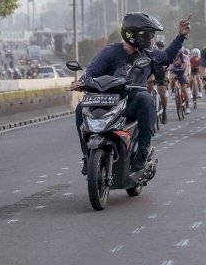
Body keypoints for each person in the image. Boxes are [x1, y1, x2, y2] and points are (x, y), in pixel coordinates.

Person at [73, 12, 191, 175]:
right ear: (134, 35)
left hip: (130, 103)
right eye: (148, 35)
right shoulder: (110, 51)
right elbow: (91, 72)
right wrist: (81, 82)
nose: (151, 39)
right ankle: (87, 156)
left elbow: (166, 58)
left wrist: (181, 36)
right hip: (106, 102)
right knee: (81, 108)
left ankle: (142, 153)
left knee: (145, 98)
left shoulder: (149, 53)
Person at [147, 41, 169, 124]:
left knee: (162, 91)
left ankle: (164, 112)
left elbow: (167, 68)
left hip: (161, 74)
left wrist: (166, 77)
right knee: (148, 88)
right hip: (152, 74)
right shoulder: (146, 57)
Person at [168, 48, 191, 114]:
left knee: (184, 90)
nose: (176, 53)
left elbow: (186, 67)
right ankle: (173, 92)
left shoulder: (184, 57)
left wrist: (185, 75)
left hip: (182, 72)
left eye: (178, 52)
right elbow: (169, 67)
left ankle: (187, 107)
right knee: (172, 79)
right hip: (173, 71)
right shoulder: (171, 56)